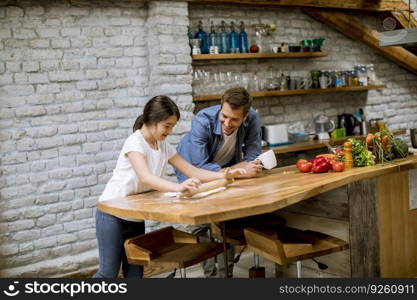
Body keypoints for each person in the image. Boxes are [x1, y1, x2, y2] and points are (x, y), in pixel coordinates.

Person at [93, 95, 244, 278]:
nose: (170, 131)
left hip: (134, 215)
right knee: (107, 274)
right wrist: (177, 187)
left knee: (134, 273)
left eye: (172, 126)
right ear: (152, 120)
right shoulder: (135, 143)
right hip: (111, 214)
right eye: (167, 126)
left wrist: (224, 175)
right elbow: (146, 177)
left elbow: (191, 170)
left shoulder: (162, 145)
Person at [175, 87, 263, 278]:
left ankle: (226, 276)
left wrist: (243, 168)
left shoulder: (253, 117)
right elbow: (199, 166)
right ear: (220, 107)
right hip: (191, 167)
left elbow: (253, 154)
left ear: (245, 116)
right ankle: (211, 276)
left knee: (226, 219)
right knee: (200, 222)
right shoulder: (202, 121)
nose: (227, 123)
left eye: (235, 119)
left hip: (225, 166)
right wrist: (235, 171)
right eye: (224, 116)